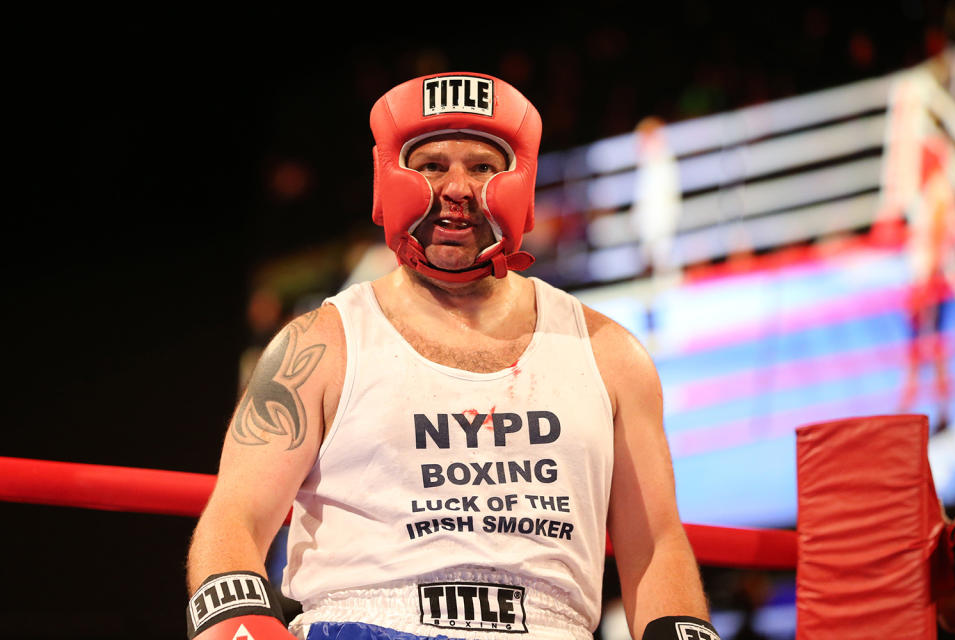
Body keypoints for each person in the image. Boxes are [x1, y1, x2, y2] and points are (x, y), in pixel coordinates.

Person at [185, 72, 717, 640]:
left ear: (519, 181)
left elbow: (657, 545)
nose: (457, 188)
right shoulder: (319, 346)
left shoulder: (610, 354)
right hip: (364, 622)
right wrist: (237, 627)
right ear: (391, 179)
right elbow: (234, 517)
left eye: (483, 167)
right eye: (432, 165)